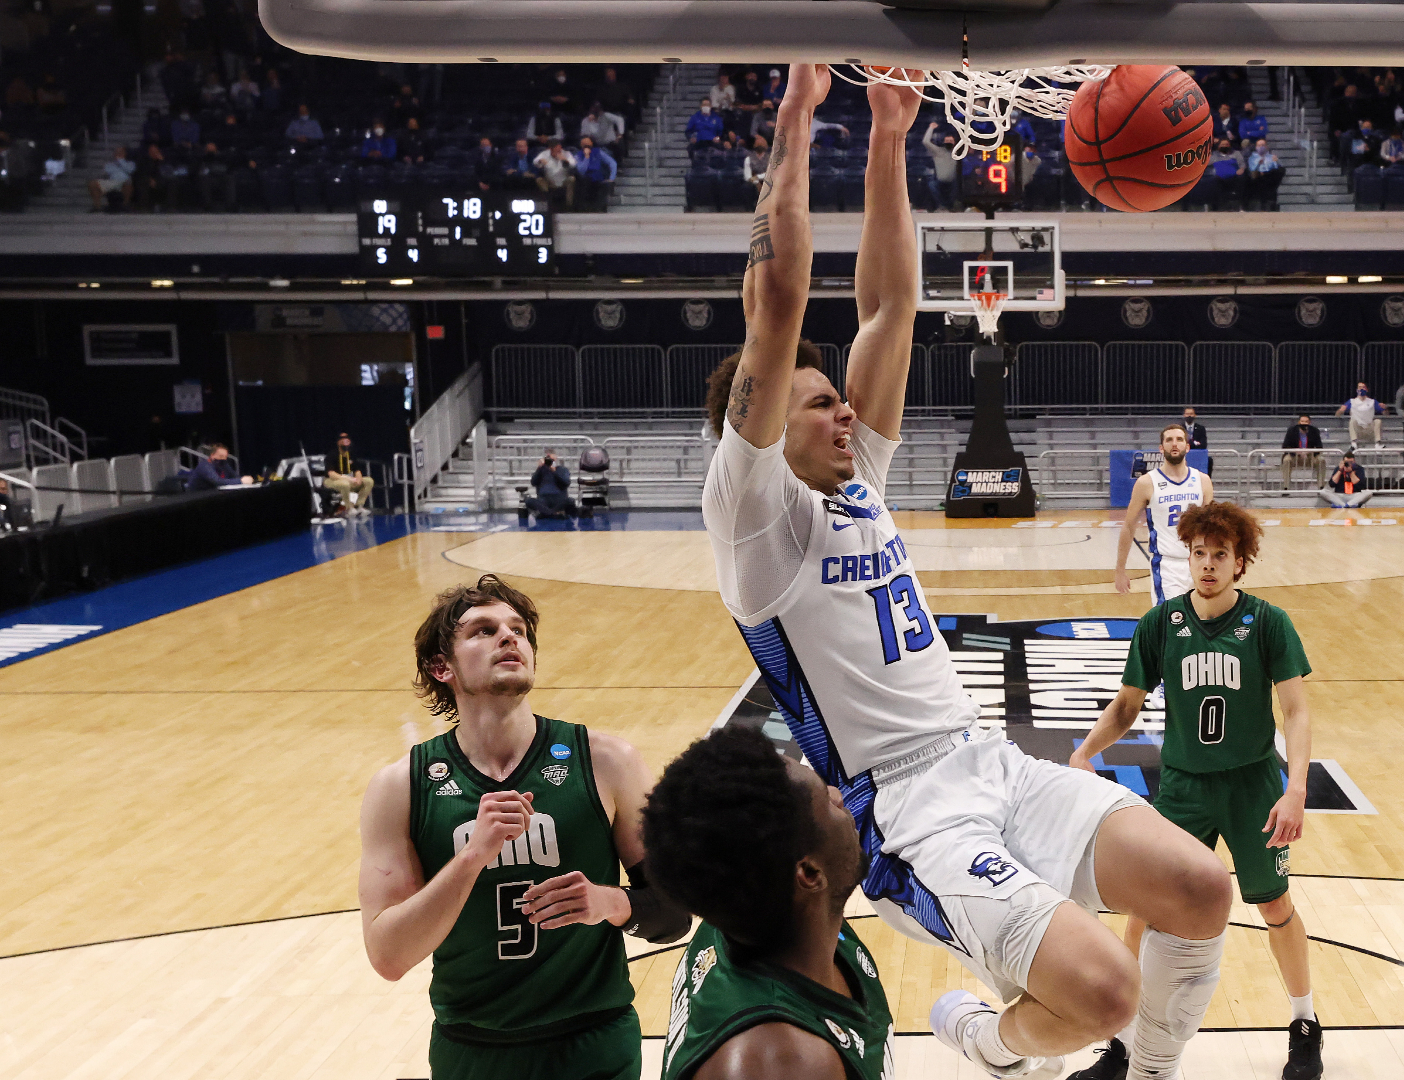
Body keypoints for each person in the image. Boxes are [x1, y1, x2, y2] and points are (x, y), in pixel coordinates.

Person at [701, 65, 1231, 1080]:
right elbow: (776, 307)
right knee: (1098, 992)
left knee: (1201, 887)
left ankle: (1151, 1073)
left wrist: (894, 133)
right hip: (906, 812)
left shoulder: (859, 482)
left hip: (986, 758)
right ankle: (987, 1041)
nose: (845, 411)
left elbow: (892, 305)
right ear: (761, 428)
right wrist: (796, 124)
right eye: (819, 403)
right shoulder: (754, 516)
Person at [357, 576, 686, 1080]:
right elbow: (389, 956)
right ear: (440, 666)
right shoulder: (400, 787)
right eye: (483, 631)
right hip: (473, 1046)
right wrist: (471, 857)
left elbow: (673, 912)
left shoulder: (607, 761)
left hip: (593, 1042)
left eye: (518, 630)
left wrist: (609, 903)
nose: (509, 638)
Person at [1074, 502, 1324, 1080]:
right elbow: (1126, 706)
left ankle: (1304, 1024)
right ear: (1185, 556)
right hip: (1184, 787)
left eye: (1220, 555)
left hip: (1252, 786)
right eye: (1198, 553)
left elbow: (1296, 710)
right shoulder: (1161, 624)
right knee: (1144, 908)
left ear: (1240, 563)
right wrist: (1085, 752)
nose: (1207, 565)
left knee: (1274, 904)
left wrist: (1296, 790)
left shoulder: (1267, 623)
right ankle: (1125, 1041)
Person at [645, 727, 895, 1080]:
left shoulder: (779, 917)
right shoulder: (780, 1061)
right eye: (826, 801)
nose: (841, 797)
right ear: (809, 873)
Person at [1116, 423, 1215, 602]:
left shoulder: (1203, 481)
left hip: (1200, 563)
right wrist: (1120, 570)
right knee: (1171, 624)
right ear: (1161, 448)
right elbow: (1129, 526)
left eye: (1179, 439)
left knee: (1204, 623)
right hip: (1167, 566)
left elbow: (1212, 528)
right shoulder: (1147, 483)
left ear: (1188, 446)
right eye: (1169, 440)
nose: (1174, 444)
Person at [325, 432, 375, 517]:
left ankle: (359, 506)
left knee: (368, 481)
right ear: (338, 443)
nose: (346, 443)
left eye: (347, 441)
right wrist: (347, 479)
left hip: (350, 479)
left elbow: (357, 470)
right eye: (343, 441)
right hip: (332, 480)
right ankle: (349, 508)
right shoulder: (332, 455)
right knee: (345, 484)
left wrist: (358, 479)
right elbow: (331, 473)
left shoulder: (351, 455)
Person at [87, 145, 136, 211]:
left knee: (128, 183)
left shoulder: (130, 163)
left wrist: (121, 160)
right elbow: (107, 172)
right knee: (92, 184)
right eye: (117, 151)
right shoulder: (110, 164)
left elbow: (129, 170)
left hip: (124, 182)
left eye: (120, 152)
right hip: (111, 182)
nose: (118, 153)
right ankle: (97, 207)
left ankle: (125, 205)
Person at [575, 136, 617, 211]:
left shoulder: (599, 152)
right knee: (584, 182)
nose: (586, 145)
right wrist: (586, 157)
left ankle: (600, 209)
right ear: (581, 145)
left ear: (592, 143)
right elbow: (581, 170)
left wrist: (611, 178)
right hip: (585, 178)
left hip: (598, 177)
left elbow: (612, 163)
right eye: (584, 143)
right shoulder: (577, 156)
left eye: (588, 143)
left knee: (604, 185)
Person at [528, 450, 575, 517]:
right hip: (543, 500)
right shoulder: (541, 470)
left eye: (552, 460)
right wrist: (539, 468)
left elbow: (566, 482)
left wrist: (554, 471)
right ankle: (553, 513)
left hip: (559, 499)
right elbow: (533, 482)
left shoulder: (562, 469)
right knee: (529, 501)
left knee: (570, 501)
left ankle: (547, 513)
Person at [534, 139, 577, 209]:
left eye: (560, 149)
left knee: (572, 179)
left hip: (563, 180)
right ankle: (547, 204)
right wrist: (540, 160)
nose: (559, 151)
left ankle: (569, 206)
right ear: (550, 149)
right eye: (556, 149)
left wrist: (565, 160)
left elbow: (573, 164)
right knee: (539, 180)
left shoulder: (566, 154)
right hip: (549, 181)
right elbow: (535, 162)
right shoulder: (544, 154)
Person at [1335, 383, 1381, 448]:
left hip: (1369, 429)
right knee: (1352, 421)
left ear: (1367, 390)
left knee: (1377, 421)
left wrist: (1385, 408)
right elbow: (1337, 414)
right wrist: (1340, 411)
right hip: (1358, 430)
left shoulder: (1372, 402)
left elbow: (1386, 413)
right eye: (1360, 387)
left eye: (1363, 387)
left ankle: (1377, 444)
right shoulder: (1351, 401)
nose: (1362, 389)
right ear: (1357, 390)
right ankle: (1354, 443)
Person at [186, 445, 253, 489]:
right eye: (220, 456)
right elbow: (217, 481)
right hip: (198, 497)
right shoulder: (205, 466)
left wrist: (244, 479)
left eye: (225, 457)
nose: (223, 459)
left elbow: (235, 476)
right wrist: (241, 481)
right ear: (212, 455)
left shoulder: (224, 464)